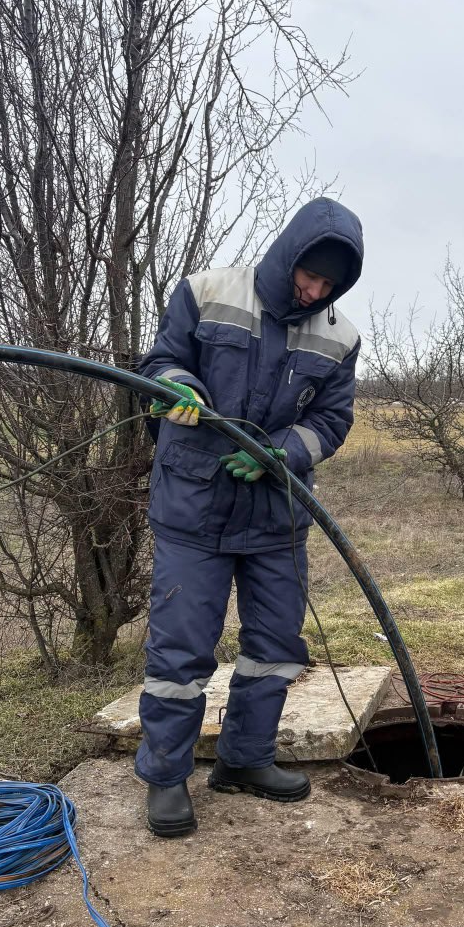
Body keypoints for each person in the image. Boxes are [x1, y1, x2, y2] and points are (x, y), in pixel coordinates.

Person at [136, 197, 363, 837]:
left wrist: (281, 454)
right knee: (181, 648)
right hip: (193, 509)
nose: (313, 289)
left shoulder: (339, 336)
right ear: (287, 255)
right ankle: (165, 778)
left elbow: (332, 420)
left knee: (274, 648)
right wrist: (175, 385)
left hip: (274, 517)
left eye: (328, 284)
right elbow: (159, 361)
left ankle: (245, 760)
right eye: (307, 275)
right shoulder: (208, 292)